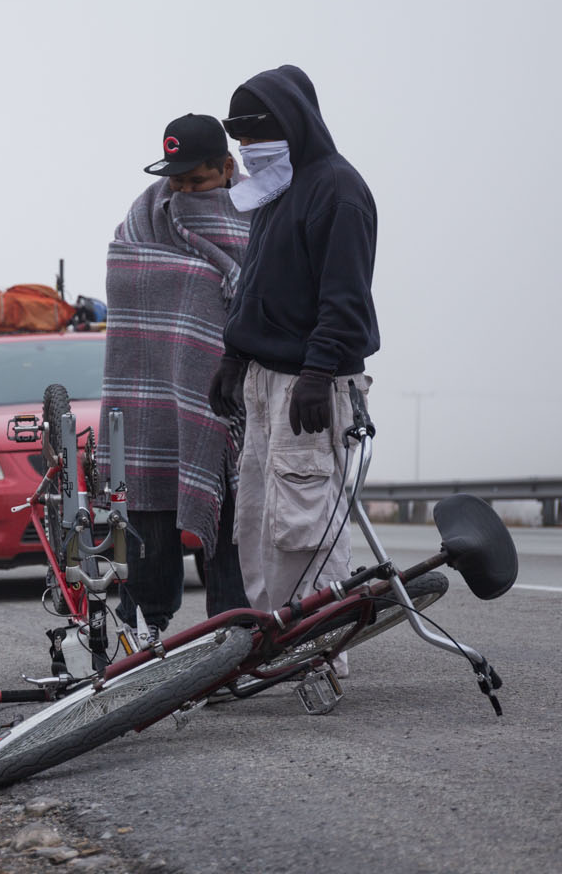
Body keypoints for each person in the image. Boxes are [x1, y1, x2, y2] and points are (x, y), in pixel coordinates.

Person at [207, 65, 379, 677]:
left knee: (304, 525)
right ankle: (281, 647)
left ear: (295, 123)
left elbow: (344, 296)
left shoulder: (337, 190)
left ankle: (322, 654)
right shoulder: (278, 192)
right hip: (266, 380)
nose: (247, 148)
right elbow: (256, 285)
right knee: (258, 522)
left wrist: (317, 370)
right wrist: (233, 353)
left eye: (257, 132)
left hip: (311, 383)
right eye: (239, 135)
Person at [100, 113, 250, 641]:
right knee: (150, 508)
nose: (185, 191)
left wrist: (201, 287)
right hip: (150, 393)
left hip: (228, 402)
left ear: (228, 167)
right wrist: (200, 283)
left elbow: (258, 293)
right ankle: (144, 629)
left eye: (197, 180)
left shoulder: (256, 214)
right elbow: (127, 274)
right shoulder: (144, 217)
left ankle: (233, 633)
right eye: (177, 181)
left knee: (230, 515)